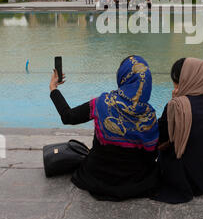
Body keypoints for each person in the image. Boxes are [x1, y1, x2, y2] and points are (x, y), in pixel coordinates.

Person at [49, 55, 160, 201]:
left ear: (122, 77)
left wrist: (53, 87)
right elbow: (152, 155)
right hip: (138, 183)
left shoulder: (102, 103)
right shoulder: (149, 117)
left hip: (98, 178)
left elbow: (68, 116)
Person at [153, 57, 203, 204]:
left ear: (183, 80)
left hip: (186, 178)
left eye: (176, 79)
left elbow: (159, 137)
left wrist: (173, 102)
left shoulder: (176, 106)